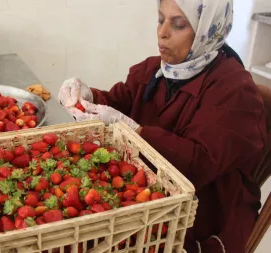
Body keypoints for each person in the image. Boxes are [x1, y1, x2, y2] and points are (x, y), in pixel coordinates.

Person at [58, 0, 267, 252]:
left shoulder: (235, 92)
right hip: (149, 193)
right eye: (160, 19)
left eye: (178, 24)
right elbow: (120, 101)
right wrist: (89, 98)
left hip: (203, 211)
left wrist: (137, 132)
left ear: (208, 30)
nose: (162, 32)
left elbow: (198, 164)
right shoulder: (154, 70)